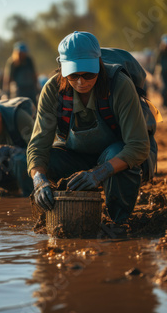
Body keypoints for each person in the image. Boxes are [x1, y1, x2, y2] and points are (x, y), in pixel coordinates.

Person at [27, 31, 150, 223]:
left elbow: (139, 145)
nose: (81, 82)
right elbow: (37, 146)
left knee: (119, 156)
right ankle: (61, 217)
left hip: (115, 155)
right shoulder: (52, 90)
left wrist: (100, 172)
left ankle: (118, 222)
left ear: (99, 64)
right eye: (73, 74)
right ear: (62, 69)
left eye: (88, 74)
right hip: (74, 155)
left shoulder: (119, 85)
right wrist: (39, 180)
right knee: (43, 163)